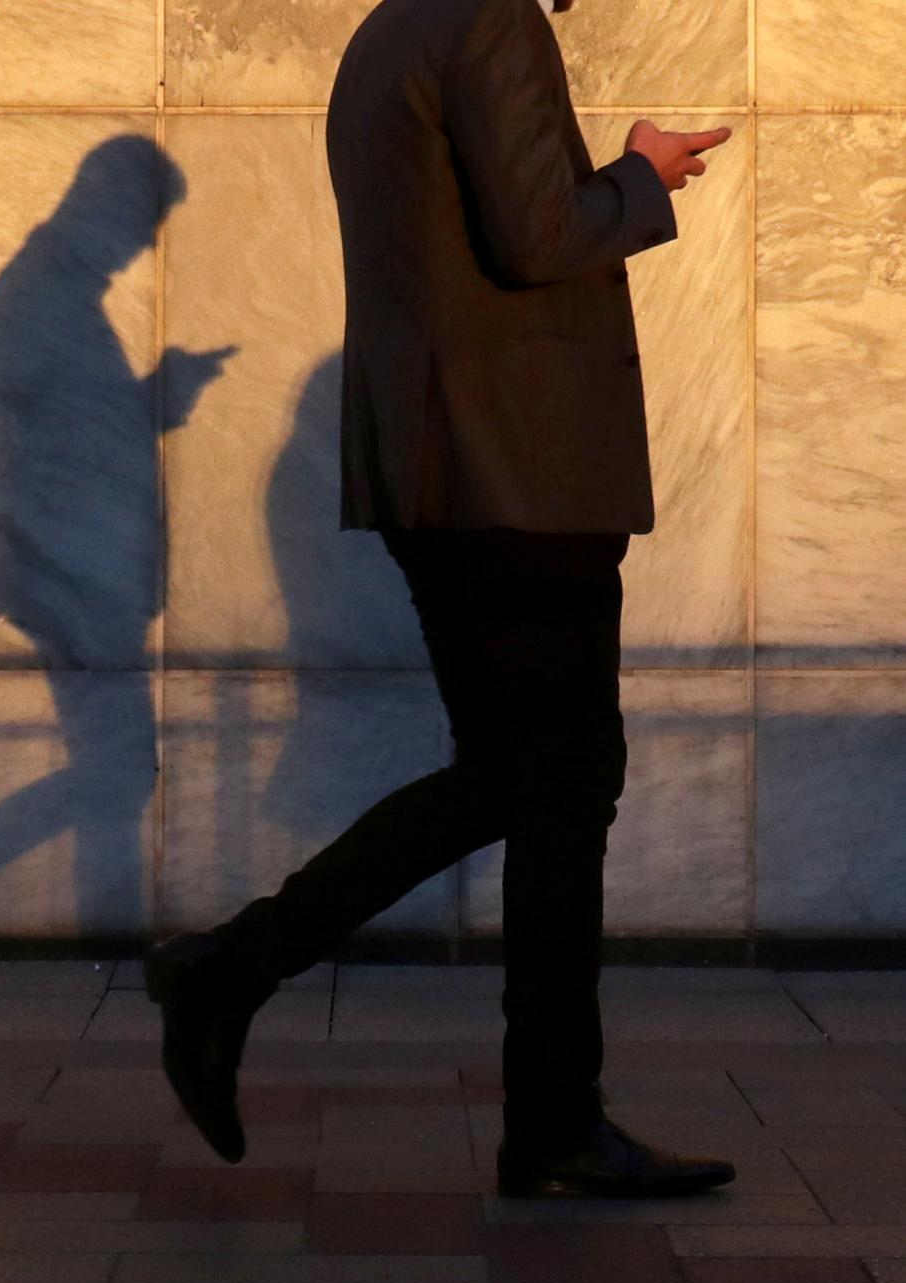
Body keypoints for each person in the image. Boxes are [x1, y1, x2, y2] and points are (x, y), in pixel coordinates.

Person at [146, 0, 737, 1198]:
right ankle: (550, 1120)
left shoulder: (391, 31)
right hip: (518, 480)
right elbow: (535, 235)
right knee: (563, 782)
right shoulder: (490, 20)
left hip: (446, 476)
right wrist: (640, 174)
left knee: (512, 779)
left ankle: (234, 970)